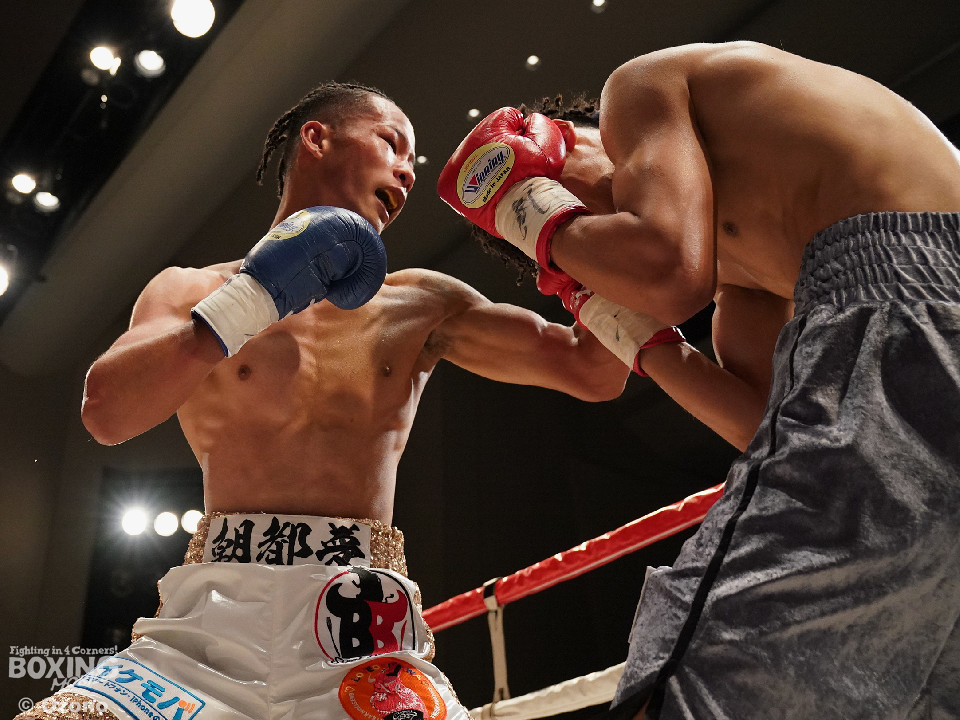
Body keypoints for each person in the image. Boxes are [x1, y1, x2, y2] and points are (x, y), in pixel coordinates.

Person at [17, 82, 632, 720]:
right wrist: (247, 301)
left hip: (365, 631)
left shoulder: (420, 304)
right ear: (317, 138)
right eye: (391, 144)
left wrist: (583, 227)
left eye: (414, 163)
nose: (407, 172)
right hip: (207, 629)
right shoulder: (193, 290)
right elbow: (105, 412)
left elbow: (592, 369)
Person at [437, 41, 960, 719]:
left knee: (697, 663)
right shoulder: (747, 283)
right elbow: (769, 432)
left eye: (559, 199)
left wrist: (535, 217)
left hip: (908, 273)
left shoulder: (641, 88)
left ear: (563, 143)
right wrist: (635, 334)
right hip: (915, 318)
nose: (589, 236)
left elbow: (666, 272)